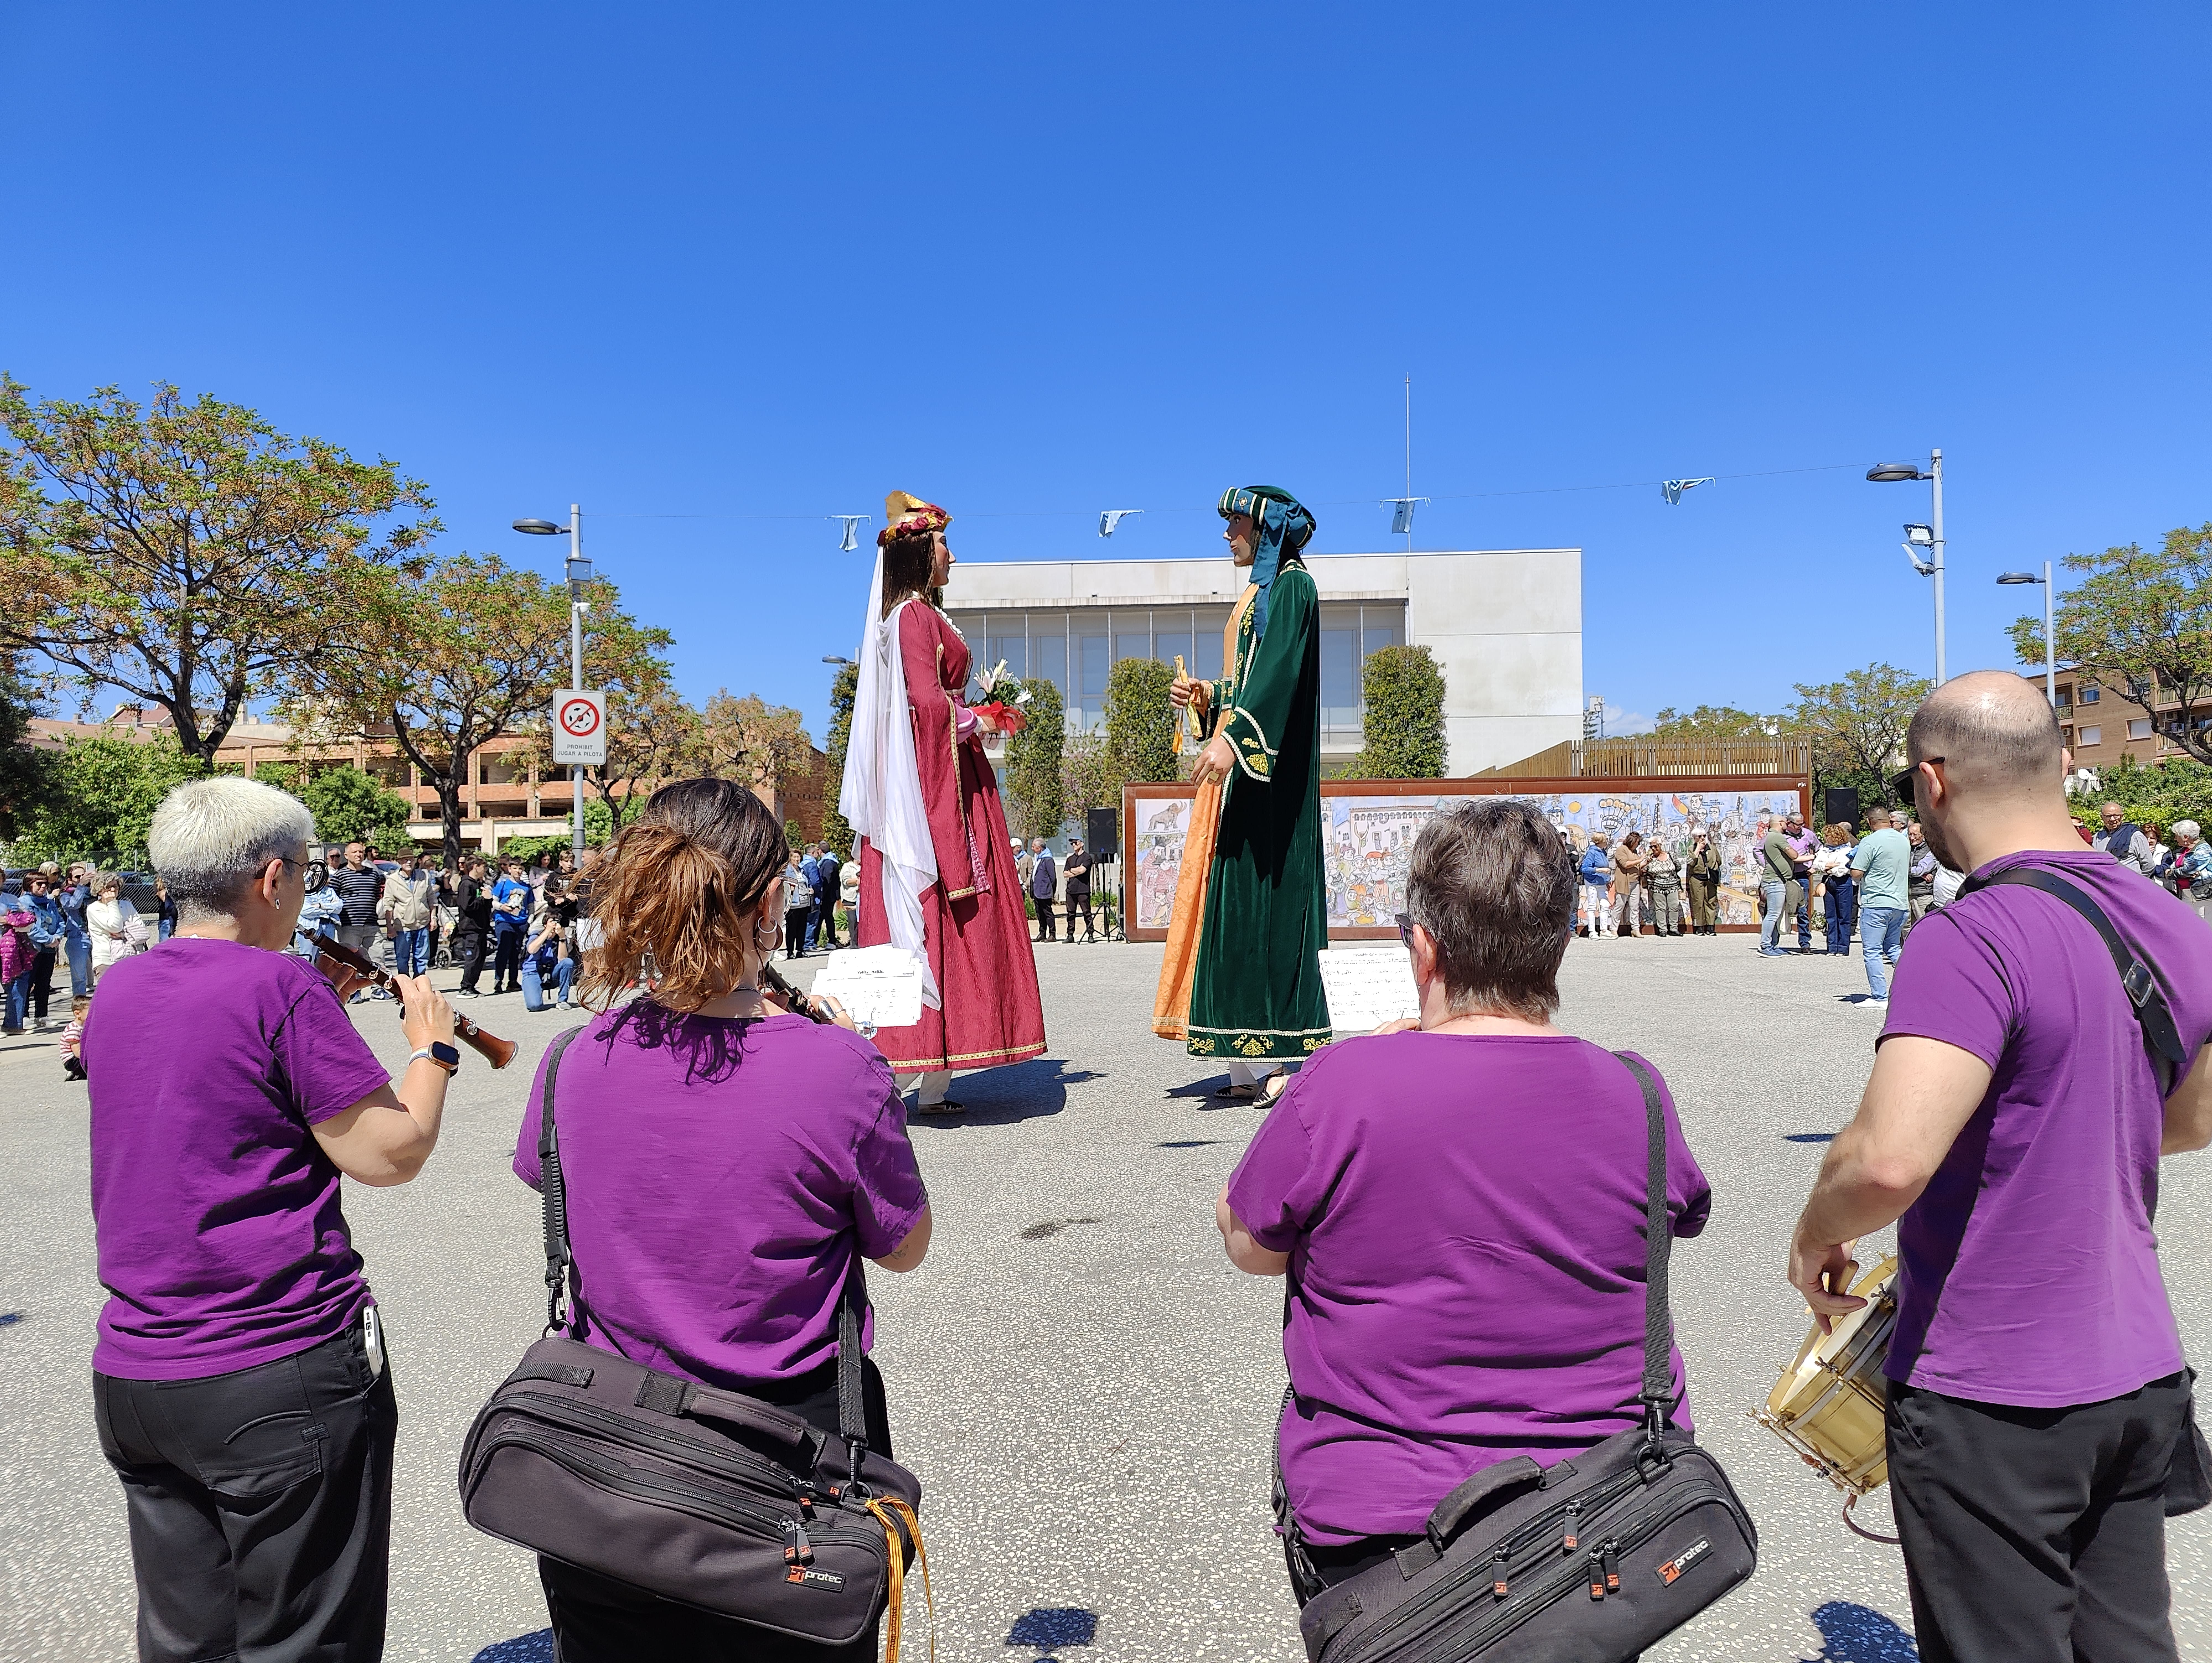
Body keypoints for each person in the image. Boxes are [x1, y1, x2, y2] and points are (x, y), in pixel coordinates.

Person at [1789, 671, 2212, 1663]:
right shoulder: (2172, 921)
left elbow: (1888, 1157)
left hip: (1992, 1385)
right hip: (2136, 1368)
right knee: (2125, 1642)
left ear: (1932, 780)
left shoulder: (1968, 933)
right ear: (2060, 763)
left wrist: (1814, 1232)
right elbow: (2190, 1120)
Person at [1216, 799, 1710, 1599]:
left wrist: (1342, 1085)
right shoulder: (1638, 1090)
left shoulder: (1343, 1085)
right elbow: (1674, 1220)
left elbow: (1250, 1246)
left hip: (1385, 1528)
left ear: (1423, 949)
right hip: (1605, 1510)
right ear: (1560, 942)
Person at [512, 777, 931, 1661]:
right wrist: (851, 1062)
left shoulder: (572, 1057)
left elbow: (578, 1197)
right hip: (785, 1457)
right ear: (771, 901)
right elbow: (903, 1247)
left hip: (608, 1454)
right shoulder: (838, 1069)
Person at [88, 775, 459, 1663]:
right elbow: (390, 1154)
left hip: (139, 1368)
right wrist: (433, 1048)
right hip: (274, 1361)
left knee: (190, 1639)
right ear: (272, 877)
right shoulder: (280, 988)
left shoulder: (123, 988)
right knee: (307, 1639)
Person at [840, 492, 1046, 1112]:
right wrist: (981, 718)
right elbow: (924, 705)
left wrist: (977, 717)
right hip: (937, 789)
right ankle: (911, 1072)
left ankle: (933, 1078)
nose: (952, 557)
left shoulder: (921, 614)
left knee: (947, 922)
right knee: (940, 911)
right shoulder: (912, 616)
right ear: (918, 553)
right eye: (944, 545)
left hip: (952, 775)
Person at [1157, 485, 1330, 1100]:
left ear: (1264, 528)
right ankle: (1241, 1055)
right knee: (1234, 907)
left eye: (1235, 523)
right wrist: (1208, 697)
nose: (1227, 534)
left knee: (1268, 907)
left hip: (1274, 783)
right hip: (1250, 779)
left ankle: (1283, 1053)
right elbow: (1249, 684)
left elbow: (1280, 676)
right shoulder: (1262, 591)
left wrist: (1234, 742)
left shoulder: (1294, 587)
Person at [1847, 806, 1911, 1006]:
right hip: (1900, 902)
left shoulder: (1870, 841)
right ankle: (1915, 987)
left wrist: (1853, 862)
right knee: (1893, 947)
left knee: (1872, 951)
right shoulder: (1904, 840)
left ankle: (1880, 996)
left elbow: (1857, 873)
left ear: (1870, 822)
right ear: (1889, 821)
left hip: (1876, 902)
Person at [378, 849, 438, 980]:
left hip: (422, 923)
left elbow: (431, 898)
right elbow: (388, 905)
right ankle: (405, 982)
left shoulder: (424, 875)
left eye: (411, 859)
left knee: (422, 957)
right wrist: (389, 927)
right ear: (400, 862)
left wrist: (434, 917)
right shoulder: (393, 880)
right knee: (402, 957)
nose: (409, 862)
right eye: (405, 860)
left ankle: (420, 981)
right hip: (403, 926)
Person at [519, 878, 576, 1011]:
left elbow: (563, 960)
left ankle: (562, 1000)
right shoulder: (536, 935)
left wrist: (562, 937)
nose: (554, 925)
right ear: (545, 925)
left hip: (552, 971)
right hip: (533, 972)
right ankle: (535, 991)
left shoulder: (559, 937)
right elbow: (532, 950)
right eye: (551, 923)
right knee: (534, 1006)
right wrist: (547, 932)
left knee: (569, 962)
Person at [328, 842, 384, 973]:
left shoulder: (373, 874)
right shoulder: (340, 876)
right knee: (351, 962)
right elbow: (333, 898)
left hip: (372, 925)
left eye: (361, 852)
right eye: (355, 852)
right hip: (349, 926)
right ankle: (354, 987)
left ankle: (378, 986)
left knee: (378, 961)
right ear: (347, 856)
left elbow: (377, 895)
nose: (358, 855)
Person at [23, 869, 65, 1030]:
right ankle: (24, 1016)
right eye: (39, 884)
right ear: (29, 885)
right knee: (28, 982)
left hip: (50, 949)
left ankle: (42, 1015)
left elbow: (60, 921)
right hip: (32, 948)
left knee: (44, 982)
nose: (43, 887)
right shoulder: (24, 903)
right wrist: (49, 939)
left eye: (45, 884)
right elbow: (29, 927)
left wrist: (57, 937)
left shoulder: (49, 902)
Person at [87, 873, 144, 986]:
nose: (113, 890)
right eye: (109, 887)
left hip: (132, 957)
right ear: (99, 890)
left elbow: (141, 930)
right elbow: (115, 926)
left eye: (115, 886)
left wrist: (123, 935)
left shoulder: (127, 905)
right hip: (107, 960)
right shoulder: (94, 909)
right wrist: (112, 903)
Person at [490, 855, 533, 995]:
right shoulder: (503, 884)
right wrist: (502, 907)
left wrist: (530, 919)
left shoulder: (527, 887)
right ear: (510, 869)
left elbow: (531, 905)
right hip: (504, 920)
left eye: (520, 869)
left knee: (516, 951)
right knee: (504, 949)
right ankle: (498, 980)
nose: (518, 871)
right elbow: (493, 901)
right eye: (515, 868)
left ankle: (513, 981)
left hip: (521, 922)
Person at [1812, 824, 1856, 955]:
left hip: (1843, 883)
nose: (1825, 838)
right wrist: (1828, 866)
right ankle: (1832, 947)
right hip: (1828, 882)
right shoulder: (1825, 850)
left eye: (1828, 836)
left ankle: (1843, 948)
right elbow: (1816, 864)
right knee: (1831, 916)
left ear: (1836, 837)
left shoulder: (1847, 850)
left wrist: (1828, 868)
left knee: (1844, 916)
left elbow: (1843, 869)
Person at [453, 855, 494, 997]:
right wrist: (483, 899)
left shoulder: (478, 884)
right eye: (483, 867)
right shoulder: (466, 884)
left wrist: (488, 900)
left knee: (480, 959)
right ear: (476, 867)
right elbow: (467, 905)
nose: (485, 870)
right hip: (471, 929)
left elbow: (485, 905)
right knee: (473, 958)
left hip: (481, 927)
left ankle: (472, 986)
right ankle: (465, 987)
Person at [1759, 812, 1798, 957]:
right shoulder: (1777, 837)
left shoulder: (1771, 837)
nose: (1788, 825)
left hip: (1776, 881)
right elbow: (1794, 855)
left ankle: (1774, 945)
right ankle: (1765, 946)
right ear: (1780, 823)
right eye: (1787, 823)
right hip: (1774, 881)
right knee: (1773, 914)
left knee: (1776, 914)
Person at [293, 859, 346, 958]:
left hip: (328, 927)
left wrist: (321, 906)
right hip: (308, 928)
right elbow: (305, 910)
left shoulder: (330, 891)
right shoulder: (305, 892)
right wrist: (329, 909)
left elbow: (339, 907)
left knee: (326, 959)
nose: (327, 879)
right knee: (308, 959)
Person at [1, 889, 35, 1036]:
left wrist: (10, 920)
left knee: (19, 983)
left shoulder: (12, 899)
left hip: (11, 948)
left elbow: (28, 918)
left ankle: (13, 1024)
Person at [2093, 799, 2155, 876]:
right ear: (2102, 817)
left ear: (2122, 816)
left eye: (2117, 816)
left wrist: (2140, 881)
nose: (2113, 819)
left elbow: (2149, 865)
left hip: (2130, 882)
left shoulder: (2134, 835)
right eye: (2108, 816)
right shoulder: (2098, 837)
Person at [60, 861, 94, 997]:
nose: (81, 879)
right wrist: (81, 886)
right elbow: (74, 905)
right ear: (70, 880)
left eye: (83, 876)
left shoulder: (92, 891)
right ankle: (80, 1004)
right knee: (80, 977)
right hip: (78, 937)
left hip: (97, 933)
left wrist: (96, 881)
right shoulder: (65, 895)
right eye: (77, 877)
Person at [1609, 830, 1648, 938]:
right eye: (1637, 843)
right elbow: (1625, 864)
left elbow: (1637, 867)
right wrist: (1640, 860)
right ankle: (1614, 929)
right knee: (1620, 906)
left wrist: (1645, 862)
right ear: (1632, 841)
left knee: (1635, 907)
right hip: (1625, 883)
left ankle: (1635, 929)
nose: (1638, 845)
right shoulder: (1622, 850)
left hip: (1635, 882)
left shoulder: (1634, 852)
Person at [1644, 833, 1683, 937]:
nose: (1653, 849)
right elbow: (1644, 870)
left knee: (1674, 907)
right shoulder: (1650, 858)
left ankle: (1674, 929)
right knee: (1660, 908)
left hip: (1672, 886)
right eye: (1651, 847)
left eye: (1655, 846)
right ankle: (1663, 930)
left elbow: (1678, 867)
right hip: (1657, 887)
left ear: (1660, 845)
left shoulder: (1670, 855)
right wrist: (1647, 862)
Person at [1904, 819, 1939, 936]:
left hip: (1924, 894)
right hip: (1907, 894)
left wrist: (1906, 871)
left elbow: (1920, 870)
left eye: (1916, 835)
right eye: (1910, 835)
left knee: (1926, 924)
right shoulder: (1907, 849)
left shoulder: (1930, 850)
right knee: (1906, 928)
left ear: (1923, 836)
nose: (1912, 838)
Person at [1684, 830, 1723, 934]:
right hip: (1697, 879)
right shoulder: (1691, 849)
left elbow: (1719, 861)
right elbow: (1690, 862)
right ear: (1695, 838)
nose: (1702, 838)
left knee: (1711, 901)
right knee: (1698, 903)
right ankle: (1699, 927)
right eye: (1700, 836)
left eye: (1704, 836)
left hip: (1710, 879)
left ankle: (1710, 927)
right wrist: (1698, 850)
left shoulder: (1712, 849)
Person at [781, 846, 815, 961]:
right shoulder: (787, 870)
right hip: (793, 904)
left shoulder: (802, 870)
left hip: (804, 904)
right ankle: (790, 952)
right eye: (795, 857)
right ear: (790, 858)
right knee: (792, 929)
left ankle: (800, 950)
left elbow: (805, 883)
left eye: (799, 857)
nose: (797, 859)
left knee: (802, 928)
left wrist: (810, 889)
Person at [1578, 833, 1614, 937]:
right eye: (1606, 840)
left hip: (1602, 882)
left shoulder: (1603, 852)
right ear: (1601, 842)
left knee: (1605, 905)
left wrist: (1608, 879)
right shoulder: (1592, 852)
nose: (1607, 841)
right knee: (1592, 906)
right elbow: (1584, 868)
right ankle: (1592, 932)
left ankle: (1604, 930)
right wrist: (1600, 870)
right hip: (1592, 882)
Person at [1062, 836, 1095, 942]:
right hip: (1071, 890)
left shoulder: (1087, 858)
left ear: (1082, 844)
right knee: (1071, 914)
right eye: (1072, 844)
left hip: (1083, 890)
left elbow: (1083, 870)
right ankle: (1070, 935)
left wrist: (1072, 871)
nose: (1074, 845)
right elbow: (1065, 874)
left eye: (1076, 843)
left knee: (1087, 913)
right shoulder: (1070, 859)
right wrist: (1075, 871)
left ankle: (1090, 934)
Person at [810, 843, 842, 951]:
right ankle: (815, 940)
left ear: (820, 851)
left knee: (827, 917)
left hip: (828, 896)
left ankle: (831, 941)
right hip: (828, 896)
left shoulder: (828, 862)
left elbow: (827, 880)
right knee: (821, 918)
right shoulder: (831, 860)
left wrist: (822, 895)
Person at [1029, 837, 1058, 942]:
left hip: (1045, 892)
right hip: (1037, 892)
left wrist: (1051, 891)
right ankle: (1042, 933)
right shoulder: (1039, 858)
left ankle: (1052, 934)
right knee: (1040, 913)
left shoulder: (1048, 860)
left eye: (1034, 847)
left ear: (1040, 848)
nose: (1032, 849)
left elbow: (1053, 878)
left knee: (1048, 913)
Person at [154, 877, 179, 942]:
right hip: (166, 919)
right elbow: (166, 900)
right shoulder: (162, 891)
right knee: (165, 943)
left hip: (173, 919)